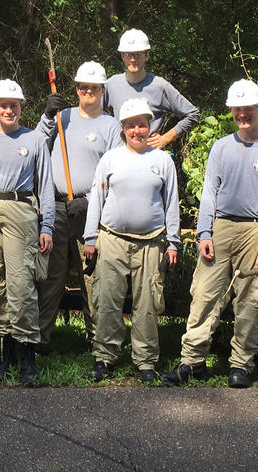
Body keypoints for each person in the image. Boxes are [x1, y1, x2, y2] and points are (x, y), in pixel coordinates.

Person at [163, 79, 258, 388]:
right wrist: (204, 233)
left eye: (249, 109)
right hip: (221, 227)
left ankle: (241, 365)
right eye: (238, 109)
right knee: (205, 294)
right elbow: (209, 193)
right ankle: (192, 361)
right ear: (230, 110)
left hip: (257, 231)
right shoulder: (221, 148)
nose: (243, 114)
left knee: (250, 299)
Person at [83, 98, 180, 383]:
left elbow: (171, 203)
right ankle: (104, 357)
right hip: (111, 238)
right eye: (131, 125)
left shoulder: (162, 161)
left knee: (147, 303)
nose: (137, 130)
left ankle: (146, 361)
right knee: (108, 300)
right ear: (123, 128)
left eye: (142, 124)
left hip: (151, 242)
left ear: (150, 127)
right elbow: (96, 198)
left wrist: (173, 242)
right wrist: (91, 238)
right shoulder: (111, 158)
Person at [0, 79, 55, 385]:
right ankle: (3, 353)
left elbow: (45, 185)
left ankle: (26, 357)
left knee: (21, 283)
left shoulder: (33, 140)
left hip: (20, 209)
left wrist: (47, 225)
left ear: (22, 107)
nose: (9, 110)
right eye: (3, 105)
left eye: (14, 105)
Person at [36, 61, 121, 351]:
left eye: (94, 87)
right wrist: (48, 115)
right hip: (58, 209)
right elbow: (37, 144)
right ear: (76, 89)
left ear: (102, 90)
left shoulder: (111, 126)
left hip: (92, 211)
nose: (88, 91)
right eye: (83, 87)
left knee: (93, 278)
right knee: (51, 277)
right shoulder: (63, 117)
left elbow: (115, 172)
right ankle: (40, 339)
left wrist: (91, 200)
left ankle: (97, 342)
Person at [104, 28, 200, 150]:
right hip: (120, 158)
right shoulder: (111, 85)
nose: (133, 59)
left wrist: (165, 138)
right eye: (128, 54)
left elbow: (192, 114)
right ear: (122, 56)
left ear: (147, 55)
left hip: (150, 157)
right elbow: (95, 116)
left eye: (138, 54)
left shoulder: (159, 86)